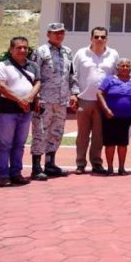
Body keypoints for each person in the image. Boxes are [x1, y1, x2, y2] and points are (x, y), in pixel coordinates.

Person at [29, 22, 76, 180]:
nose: (59, 35)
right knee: (40, 132)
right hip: (44, 100)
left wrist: (74, 94)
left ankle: (50, 164)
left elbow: (71, 76)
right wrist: (35, 97)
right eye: (56, 33)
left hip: (61, 101)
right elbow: (33, 76)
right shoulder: (41, 52)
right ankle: (36, 167)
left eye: (62, 32)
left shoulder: (67, 52)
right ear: (48, 34)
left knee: (56, 132)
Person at [72, 27, 120, 174]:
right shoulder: (81, 54)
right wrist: (74, 95)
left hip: (103, 102)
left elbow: (115, 77)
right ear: (91, 38)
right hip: (84, 100)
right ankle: (80, 163)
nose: (99, 39)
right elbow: (73, 75)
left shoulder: (113, 54)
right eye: (96, 37)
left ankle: (96, 163)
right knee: (82, 135)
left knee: (98, 135)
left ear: (107, 39)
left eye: (103, 37)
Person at [0, 36, 41, 187]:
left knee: (20, 144)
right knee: (5, 144)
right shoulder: (3, 65)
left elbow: (38, 83)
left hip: (26, 110)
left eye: (25, 48)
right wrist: (20, 100)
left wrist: (29, 98)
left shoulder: (33, 66)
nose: (22, 50)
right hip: (8, 110)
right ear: (11, 49)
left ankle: (16, 173)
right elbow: (1, 86)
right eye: (19, 47)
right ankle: (3, 175)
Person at [97, 58, 131, 175]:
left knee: (123, 143)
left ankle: (121, 168)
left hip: (127, 118)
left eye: (127, 66)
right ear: (117, 68)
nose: (125, 68)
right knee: (110, 143)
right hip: (111, 117)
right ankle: (110, 168)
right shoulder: (110, 79)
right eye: (122, 66)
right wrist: (106, 109)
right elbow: (99, 93)